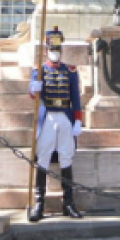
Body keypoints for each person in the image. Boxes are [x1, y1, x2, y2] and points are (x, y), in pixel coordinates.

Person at [28, 28, 83, 221]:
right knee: (43, 158)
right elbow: (32, 92)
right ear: (46, 49)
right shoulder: (39, 70)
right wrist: (34, 89)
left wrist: (77, 119)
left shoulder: (70, 71)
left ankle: (69, 204)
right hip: (48, 117)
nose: (55, 51)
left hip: (65, 117)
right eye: (52, 47)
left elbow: (75, 97)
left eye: (57, 48)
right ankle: (39, 204)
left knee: (66, 157)